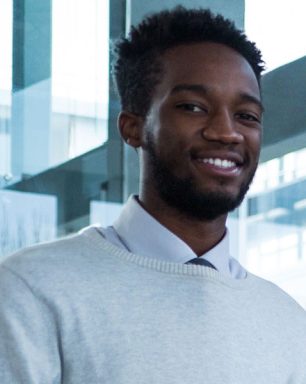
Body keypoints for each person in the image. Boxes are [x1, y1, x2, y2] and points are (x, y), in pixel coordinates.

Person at [0, 6, 306, 384]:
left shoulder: (288, 323)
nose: (227, 132)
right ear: (133, 128)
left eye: (247, 116)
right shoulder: (33, 289)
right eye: (193, 107)